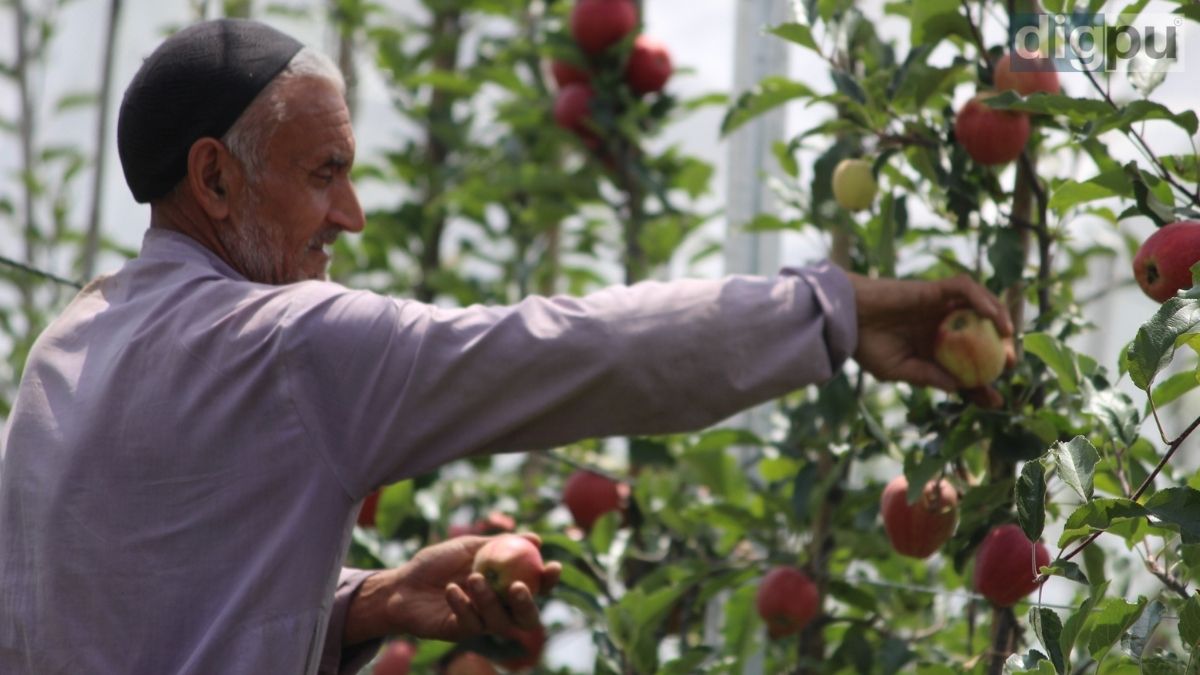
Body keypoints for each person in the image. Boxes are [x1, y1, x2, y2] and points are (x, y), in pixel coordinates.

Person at [0, 18, 1013, 675]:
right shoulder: (287, 346)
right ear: (215, 180)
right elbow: (570, 352)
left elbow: (121, 611)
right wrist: (832, 310)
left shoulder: (68, 347)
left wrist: (364, 605)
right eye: (323, 173)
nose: (349, 215)